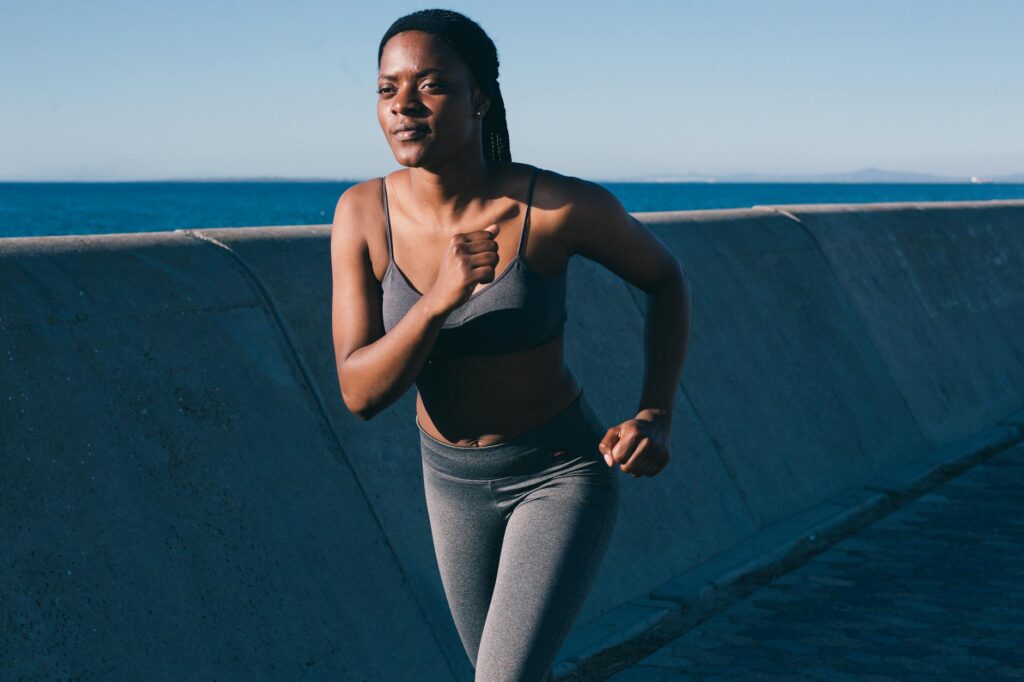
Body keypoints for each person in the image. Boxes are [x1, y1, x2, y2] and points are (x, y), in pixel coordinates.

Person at [330, 8, 691, 680]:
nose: (404, 105)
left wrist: (656, 412)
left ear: (480, 99)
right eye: (386, 90)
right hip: (450, 485)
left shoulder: (554, 207)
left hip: (556, 472)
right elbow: (359, 392)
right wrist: (438, 299)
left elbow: (666, 279)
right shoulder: (360, 214)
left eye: (431, 85)